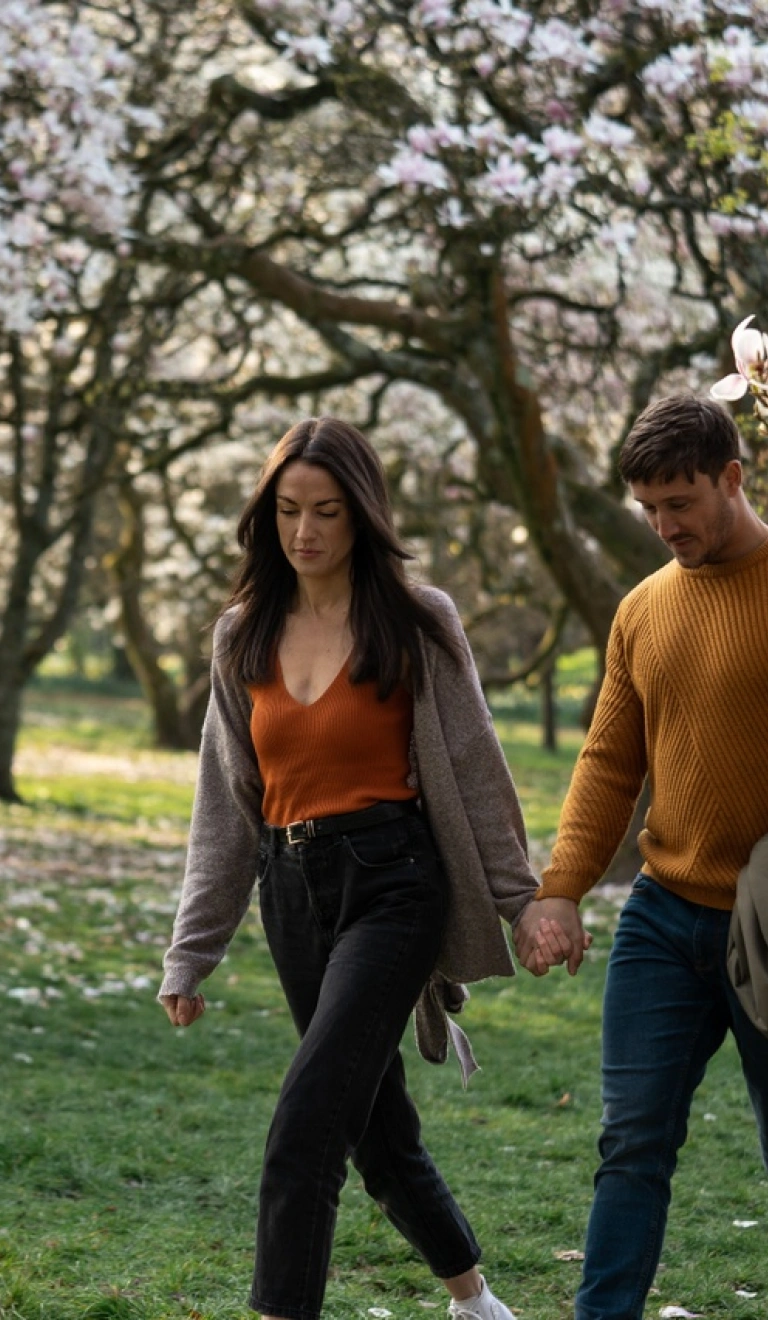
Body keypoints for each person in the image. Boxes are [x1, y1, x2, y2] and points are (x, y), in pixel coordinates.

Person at [159, 416, 539, 1320]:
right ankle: (475, 1301)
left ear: (362, 514)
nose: (305, 532)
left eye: (326, 511)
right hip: (290, 895)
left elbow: (478, 767)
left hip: (395, 883)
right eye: (288, 510)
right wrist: (191, 950)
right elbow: (226, 803)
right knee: (373, 1127)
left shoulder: (416, 620)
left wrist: (524, 902)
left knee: (305, 1128)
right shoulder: (240, 635)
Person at [514, 394, 768, 1320]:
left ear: (731, 478)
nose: (666, 527)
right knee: (631, 1142)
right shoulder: (641, 610)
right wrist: (559, 891)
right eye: (649, 509)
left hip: (767, 921)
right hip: (663, 916)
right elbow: (608, 765)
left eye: (681, 503)